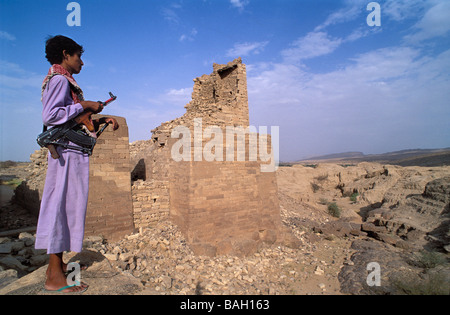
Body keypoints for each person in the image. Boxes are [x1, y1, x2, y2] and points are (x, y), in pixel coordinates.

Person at [35, 35, 119, 293]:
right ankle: (54, 275)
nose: (81, 62)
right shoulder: (60, 79)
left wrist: (98, 117)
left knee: (65, 205)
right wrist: (84, 104)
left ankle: (57, 269)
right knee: (63, 206)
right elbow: (51, 116)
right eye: (78, 56)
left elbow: (69, 117)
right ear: (65, 54)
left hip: (70, 151)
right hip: (67, 153)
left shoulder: (60, 80)